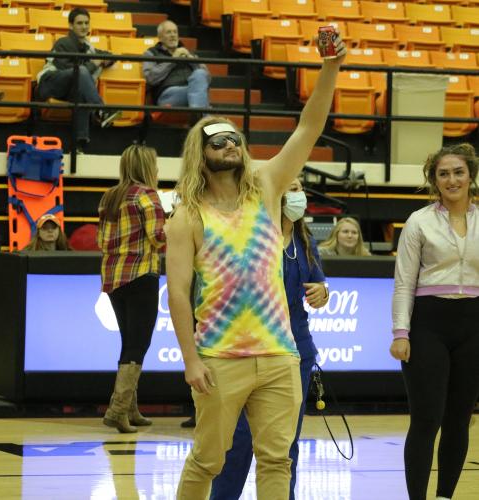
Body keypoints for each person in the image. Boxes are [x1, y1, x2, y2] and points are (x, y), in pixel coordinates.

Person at [166, 31, 346, 500]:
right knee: (207, 459)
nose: (230, 145)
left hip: (279, 356)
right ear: (199, 154)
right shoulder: (187, 216)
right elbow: (177, 294)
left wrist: (329, 67)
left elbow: (308, 128)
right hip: (220, 359)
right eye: (218, 140)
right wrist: (189, 360)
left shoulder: (266, 186)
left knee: (276, 460)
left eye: (235, 139)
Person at [210, 178, 329, 500]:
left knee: (285, 443)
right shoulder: (248, 236)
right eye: (289, 187)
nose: (298, 195)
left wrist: (322, 292)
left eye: (299, 187)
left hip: (296, 351)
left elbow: (318, 285)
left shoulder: (305, 241)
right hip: (252, 351)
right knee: (238, 442)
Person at [390, 143, 479, 500]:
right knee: (426, 419)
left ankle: (444, 496)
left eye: (458, 172)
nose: (452, 179)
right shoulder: (419, 221)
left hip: (473, 324)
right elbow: (403, 281)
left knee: (460, 418)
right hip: (428, 323)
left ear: (471, 176)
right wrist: (401, 331)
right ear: (434, 180)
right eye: (444, 173)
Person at [97, 144, 166, 433]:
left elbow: (101, 241)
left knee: (129, 341)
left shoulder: (109, 196)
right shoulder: (147, 195)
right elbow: (159, 237)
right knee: (138, 344)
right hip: (140, 275)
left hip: (113, 277)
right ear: (147, 167)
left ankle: (130, 409)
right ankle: (117, 410)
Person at [37, 7, 121, 152]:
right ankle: (101, 110)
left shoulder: (89, 47)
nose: (84, 27)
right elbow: (70, 70)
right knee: (81, 71)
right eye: (79, 23)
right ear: (70, 25)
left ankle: (79, 144)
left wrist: (105, 60)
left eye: (86, 23)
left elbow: (109, 55)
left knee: (81, 94)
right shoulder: (63, 43)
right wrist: (94, 63)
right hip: (50, 83)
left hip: (68, 88)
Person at [142, 20, 210, 113]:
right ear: (160, 37)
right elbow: (150, 78)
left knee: (200, 73)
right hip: (168, 95)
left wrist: (193, 61)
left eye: (175, 32)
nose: (173, 35)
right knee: (200, 94)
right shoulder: (151, 53)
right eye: (168, 32)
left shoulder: (188, 53)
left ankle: (197, 117)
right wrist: (172, 60)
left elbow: (207, 79)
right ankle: (202, 119)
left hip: (191, 90)